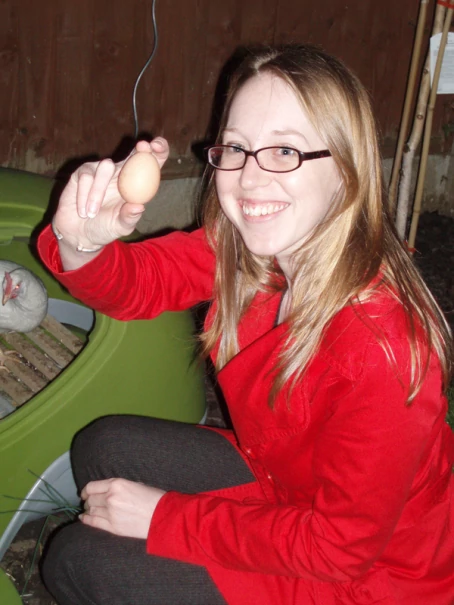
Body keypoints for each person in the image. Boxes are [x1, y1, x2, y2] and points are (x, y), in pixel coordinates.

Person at [38, 44, 453, 605]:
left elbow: (339, 549)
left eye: (284, 150)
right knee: (103, 447)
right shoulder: (252, 251)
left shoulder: (384, 346)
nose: (250, 179)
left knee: (79, 561)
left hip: (366, 579)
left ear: (346, 167)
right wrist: (82, 239)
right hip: (281, 485)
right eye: (236, 148)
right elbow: (139, 284)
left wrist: (163, 518)